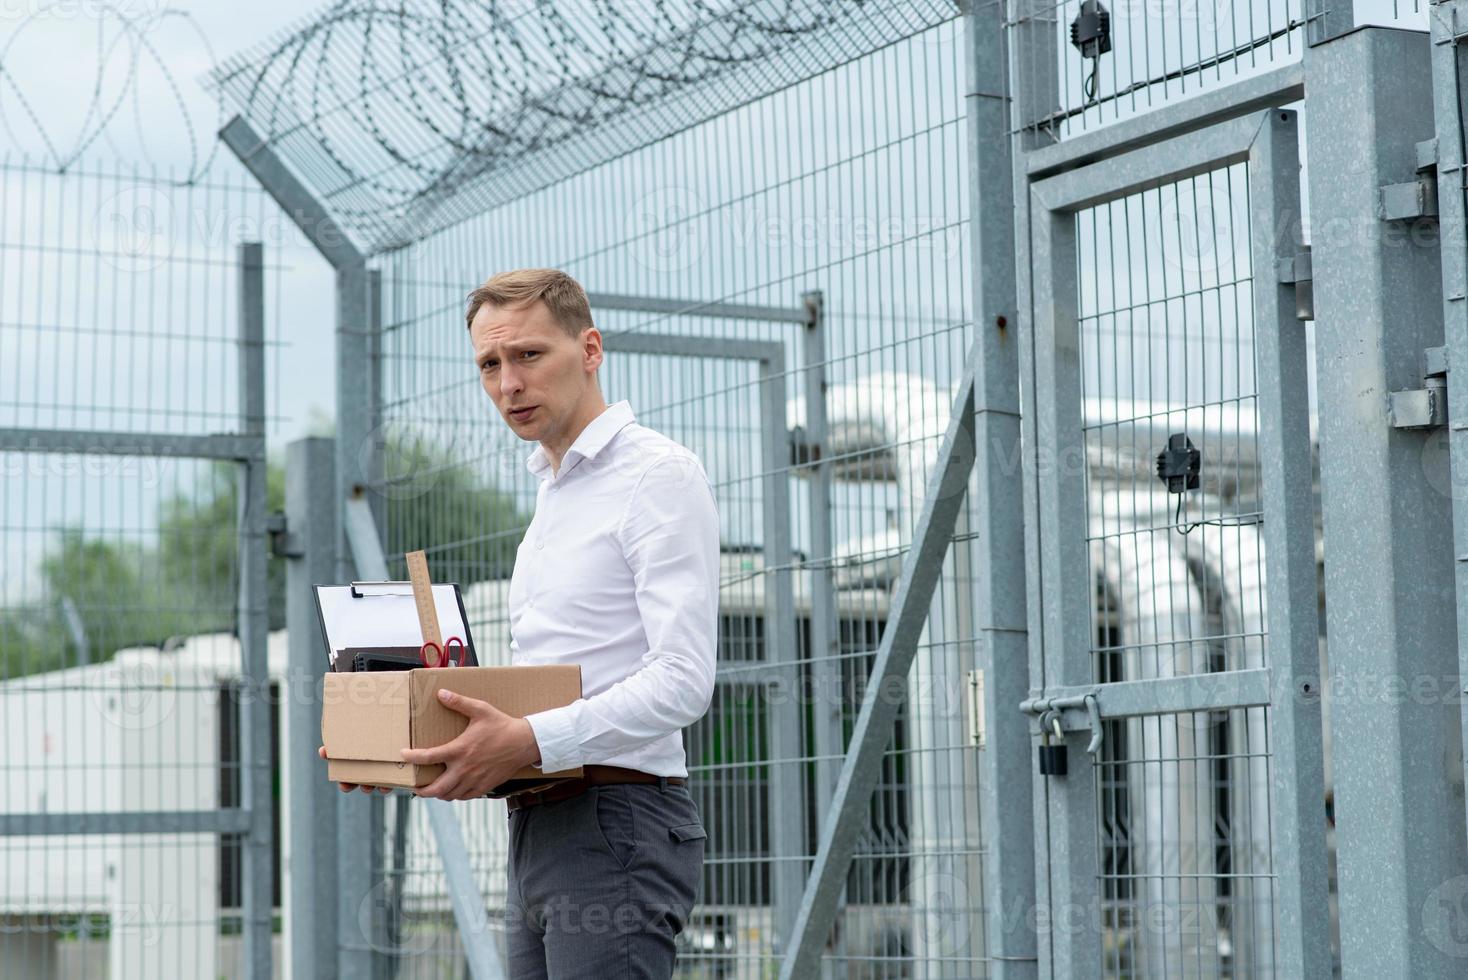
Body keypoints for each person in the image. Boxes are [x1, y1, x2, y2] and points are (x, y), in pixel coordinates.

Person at [356, 267, 719, 978]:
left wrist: (527, 738)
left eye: (528, 355)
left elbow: (683, 681)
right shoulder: (553, 491)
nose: (508, 384)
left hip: (617, 823)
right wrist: (405, 751)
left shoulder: (656, 475)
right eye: (489, 364)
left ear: (590, 350)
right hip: (539, 820)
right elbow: (553, 686)